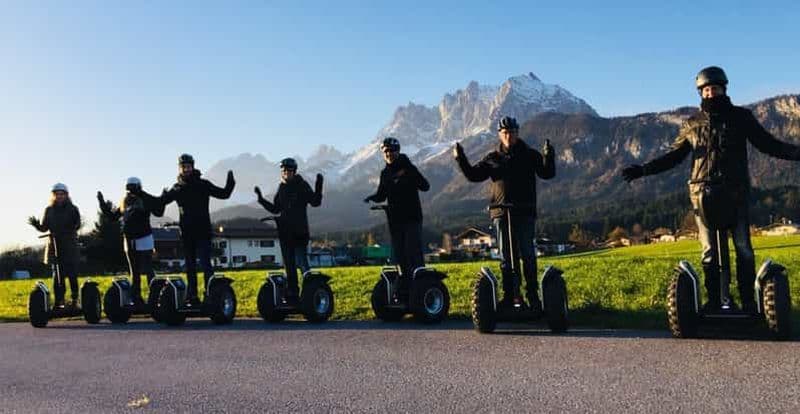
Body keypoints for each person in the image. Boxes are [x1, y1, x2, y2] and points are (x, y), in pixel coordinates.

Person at [622, 66, 800, 312]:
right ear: (700, 93)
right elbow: (674, 156)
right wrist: (643, 170)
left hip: (735, 192)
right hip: (701, 194)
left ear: (723, 89)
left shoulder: (741, 117)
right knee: (708, 252)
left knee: (744, 249)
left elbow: (768, 144)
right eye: (706, 90)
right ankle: (714, 301)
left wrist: (796, 153)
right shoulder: (692, 124)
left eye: (714, 88)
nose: (710, 93)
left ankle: (748, 302)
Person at [453, 116, 555, 311]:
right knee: (507, 257)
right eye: (505, 132)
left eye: (512, 132)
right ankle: (510, 297)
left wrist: (549, 156)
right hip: (500, 214)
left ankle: (533, 297)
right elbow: (474, 175)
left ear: (517, 133)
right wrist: (461, 158)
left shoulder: (529, 155)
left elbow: (547, 173)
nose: (509, 136)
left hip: (524, 212)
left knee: (528, 254)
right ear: (500, 134)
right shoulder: (493, 158)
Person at [160, 154, 235, 307]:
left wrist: (230, 183)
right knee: (190, 267)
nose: (186, 169)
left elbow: (224, 194)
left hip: (203, 232)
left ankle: (210, 296)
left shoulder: (203, 184)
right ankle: (192, 296)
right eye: (183, 167)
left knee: (206, 265)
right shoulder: (177, 188)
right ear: (179, 168)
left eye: (188, 166)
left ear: (193, 167)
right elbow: (160, 203)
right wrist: (158, 196)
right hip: (186, 234)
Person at [255, 158, 323, 301]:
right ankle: (293, 294)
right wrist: (261, 199)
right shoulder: (281, 188)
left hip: (299, 232)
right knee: (289, 266)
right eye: (284, 170)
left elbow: (315, 202)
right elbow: (276, 208)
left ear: (294, 171)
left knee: (302, 263)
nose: (286, 173)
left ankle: (311, 294)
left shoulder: (301, 185)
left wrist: (319, 185)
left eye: (289, 170)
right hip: (285, 233)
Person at [364, 137, 430, 278]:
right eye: (386, 151)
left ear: (398, 151)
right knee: (400, 253)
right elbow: (381, 195)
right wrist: (372, 197)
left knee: (412, 251)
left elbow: (425, 186)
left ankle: (421, 280)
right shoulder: (385, 173)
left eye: (392, 151)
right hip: (395, 219)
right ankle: (405, 281)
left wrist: (410, 175)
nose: (389, 154)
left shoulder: (409, 168)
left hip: (412, 217)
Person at [97, 177, 165, 306]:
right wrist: (102, 203)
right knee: (134, 271)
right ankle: (136, 297)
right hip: (129, 240)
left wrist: (162, 199)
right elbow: (113, 217)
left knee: (148, 269)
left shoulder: (145, 199)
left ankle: (155, 296)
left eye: (133, 188)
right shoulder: (125, 202)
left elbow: (158, 211)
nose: (131, 192)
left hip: (144, 238)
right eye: (129, 189)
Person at [28, 183, 82, 310]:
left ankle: (74, 299)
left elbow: (77, 224)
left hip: (69, 245)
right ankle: (59, 301)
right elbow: (44, 227)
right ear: (53, 195)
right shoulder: (49, 210)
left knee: (72, 273)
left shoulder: (72, 209)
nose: (59, 196)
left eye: (62, 194)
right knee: (57, 274)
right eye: (57, 194)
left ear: (66, 195)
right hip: (55, 245)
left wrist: (72, 226)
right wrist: (37, 225)